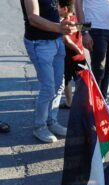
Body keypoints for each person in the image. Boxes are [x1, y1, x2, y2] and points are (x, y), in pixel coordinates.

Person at [21, 0, 77, 143]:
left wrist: (65, 21)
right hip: (39, 43)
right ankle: (40, 126)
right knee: (48, 87)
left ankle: (51, 121)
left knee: (59, 85)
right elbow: (33, 18)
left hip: (57, 41)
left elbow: (52, 11)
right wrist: (59, 27)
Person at [75, 0, 109, 100]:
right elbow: (77, 4)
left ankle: (102, 103)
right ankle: (94, 104)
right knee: (98, 71)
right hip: (95, 28)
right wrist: (84, 32)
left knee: (108, 70)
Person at [57, 0, 86, 110]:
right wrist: (81, 51)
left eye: (58, 7)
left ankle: (69, 102)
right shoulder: (78, 20)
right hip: (81, 57)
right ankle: (83, 101)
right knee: (80, 80)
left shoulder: (64, 22)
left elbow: (66, 40)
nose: (56, 9)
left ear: (65, 9)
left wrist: (77, 49)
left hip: (69, 57)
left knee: (67, 80)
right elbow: (87, 28)